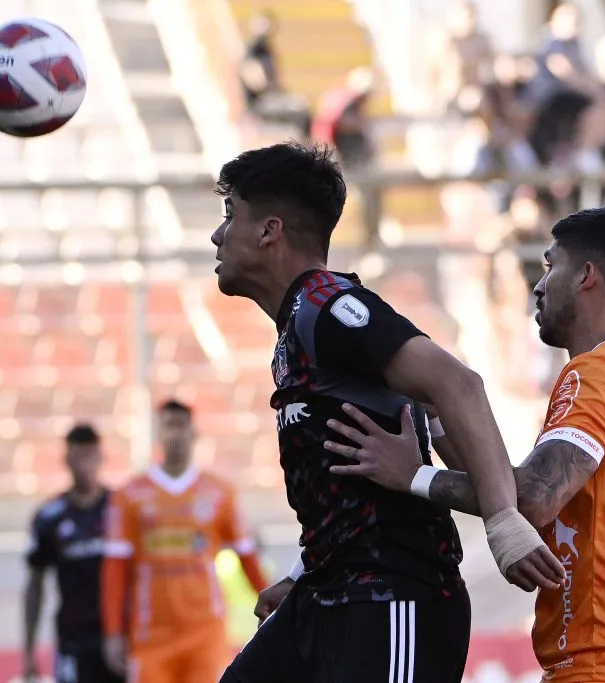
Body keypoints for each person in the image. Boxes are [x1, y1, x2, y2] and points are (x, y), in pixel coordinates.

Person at [209, 142, 563, 683]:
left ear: (269, 231)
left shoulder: (327, 306)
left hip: (393, 596)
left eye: (230, 214)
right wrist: (307, 569)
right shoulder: (298, 327)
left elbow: (457, 385)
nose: (217, 234)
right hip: (330, 592)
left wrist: (503, 523)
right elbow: (391, 428)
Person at [324, 207, 605, 682]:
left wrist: (413, 476)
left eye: (550, 265)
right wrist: (439, 415)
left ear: (586, 276)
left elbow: (529, 499)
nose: (539, 286)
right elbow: (511, 491)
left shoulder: (603, 373)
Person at [100, 399, 269, 683]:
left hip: (204, 633)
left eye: (181, 426)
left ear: (194, 433)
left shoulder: (219, 493)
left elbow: (247, 557)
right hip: (151, 634)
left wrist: (276, 612)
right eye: (168, 426)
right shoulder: (129, 495)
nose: (175, 434)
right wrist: (113, 632)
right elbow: (115, 568)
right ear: (158, 434)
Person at [23, 424, 122, 683]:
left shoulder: (121, 510)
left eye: (90, 455)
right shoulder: (50, 517)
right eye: (78, 457)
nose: (84, 465)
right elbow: (35, 584)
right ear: (66, 459)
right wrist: (29, 650)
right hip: (74, 640)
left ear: (101, 457)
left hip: (120, 637)